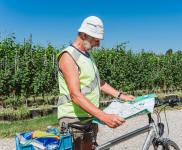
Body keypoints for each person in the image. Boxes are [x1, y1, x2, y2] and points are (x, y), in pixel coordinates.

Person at [57, 16, 134, 150]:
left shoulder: (87, 56)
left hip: (89, 115)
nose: (98, 44)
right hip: (73, 119)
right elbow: (75, 95)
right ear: (84, 35)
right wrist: (104, 116)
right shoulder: (68, 56)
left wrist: (121, 95)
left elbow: (98, 82)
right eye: (96, 40)